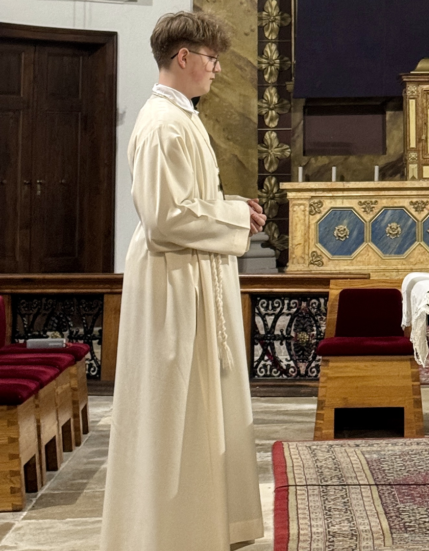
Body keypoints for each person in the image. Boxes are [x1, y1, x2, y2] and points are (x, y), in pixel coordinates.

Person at [101, 11, 266, 551]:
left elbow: (188, 203)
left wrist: (231, 206)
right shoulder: (163, 123)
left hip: (192, 274)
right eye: (213, 60)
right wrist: (236, 219)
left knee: (196, 407)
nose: (218, 70)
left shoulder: (183, 117)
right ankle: (166, 531)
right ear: (184, 57)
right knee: (173, 408)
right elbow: (167, 219)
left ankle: (200, 523)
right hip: (173, 284)